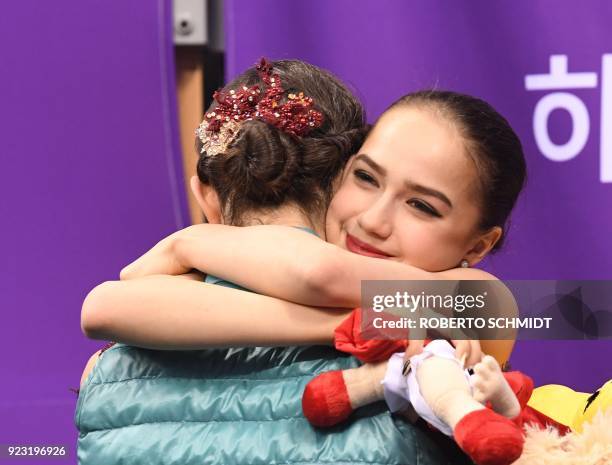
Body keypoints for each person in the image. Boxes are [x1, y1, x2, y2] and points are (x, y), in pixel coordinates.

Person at [80, 88, 527, 464]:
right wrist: (353, 321)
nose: (373, 220)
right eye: (366, 178)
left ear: (477, 246)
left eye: (422, 206)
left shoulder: (480, 298)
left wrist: (186, 243)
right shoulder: (254, 278)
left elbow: (318, 272)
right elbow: (103, 308)